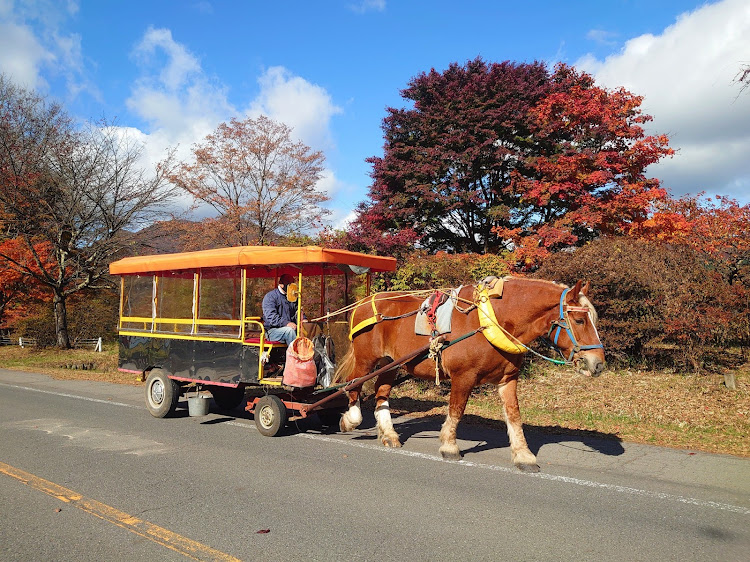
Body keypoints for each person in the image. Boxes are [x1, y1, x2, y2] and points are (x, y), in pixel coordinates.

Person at [261, 274, 300, 345]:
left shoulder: (293, 298)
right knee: (289, 331)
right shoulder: (271, 297)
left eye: (292, 283)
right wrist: (286, 323)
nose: (291, 286)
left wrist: (304, 320)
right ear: (281, 284)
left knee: (309, 330)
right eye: (289, 283)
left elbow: (298, 312)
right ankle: (296, 355)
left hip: (292, 328)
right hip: (272, 331)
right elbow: (271, 317)